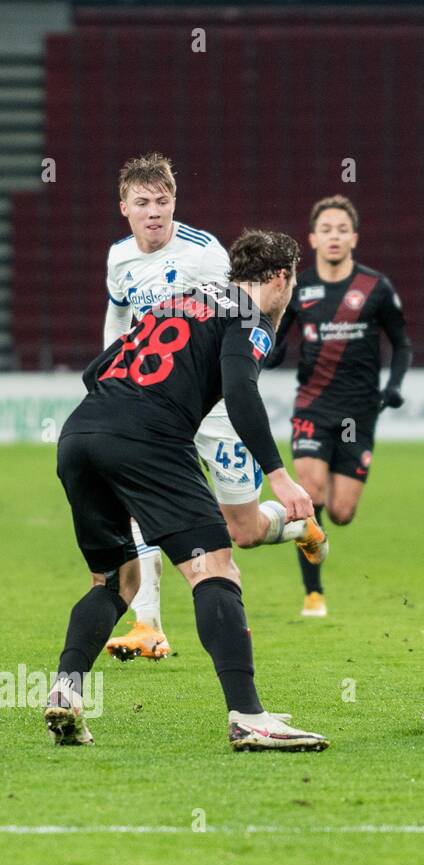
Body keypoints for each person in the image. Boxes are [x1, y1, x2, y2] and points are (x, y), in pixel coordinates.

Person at [48, 229, 329, 750]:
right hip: (149, 440)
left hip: (81, 433)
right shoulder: (251, 318)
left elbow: (96, 369)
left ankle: (65, 691)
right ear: (282, 278)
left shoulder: (182, 298)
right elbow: (242, 392)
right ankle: (248, 717)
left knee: (114, 581)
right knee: (214, 568)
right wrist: (280, 475)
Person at [101, 154, 327, 661]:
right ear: (125, 208)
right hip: (156, 403)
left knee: (242, 532)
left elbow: (249, 312)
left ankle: (294, 523)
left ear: (174, 202)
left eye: (163, 201)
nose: (154, 212)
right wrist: (112, 370)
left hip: (216, 407)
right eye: (143, 203)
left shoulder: (205, 253)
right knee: (142, 507)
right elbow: (118, 319)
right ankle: (148, 624)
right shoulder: (118, 259)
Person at [267, 195, 412, 617]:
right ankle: (314, 593)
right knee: (310, 495)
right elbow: (276, 343)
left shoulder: (375, 287)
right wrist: (267, 356)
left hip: (360, 413)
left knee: (342, 512)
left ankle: (312, 529)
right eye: (326, 229)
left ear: (354, 237)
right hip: (312, 407)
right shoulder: (300, 288)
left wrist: (396, 385)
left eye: (341, 229)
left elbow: (401, 342)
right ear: (312, 238)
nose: (334, 236)